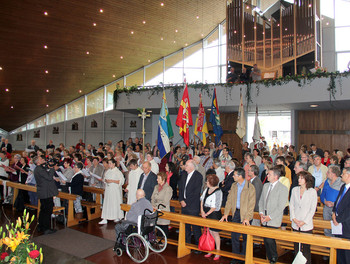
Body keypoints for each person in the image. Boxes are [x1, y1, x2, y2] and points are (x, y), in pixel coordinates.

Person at [220, 168, 255, 264]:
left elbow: (252, 204)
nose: (233, 176)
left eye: (234, 175)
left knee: (245, 237)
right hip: (236, 213)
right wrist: (226, 213)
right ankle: (235, 256)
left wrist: (247, 217)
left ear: (240, 176)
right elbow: (229, 200)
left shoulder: (250, 187)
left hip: (245, 215)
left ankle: (244, 257)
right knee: (234, 236)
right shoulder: (234, 185)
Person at [258, 166, 289, 264]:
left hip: (273, 217)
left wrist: (269, 217)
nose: (267, 175)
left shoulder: (282, 188)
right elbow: (261, 200)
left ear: (275, 176)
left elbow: (280, 206)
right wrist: (262, 213)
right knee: (266, 239)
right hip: (264, 216)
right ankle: (270, 257)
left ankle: (273, 258)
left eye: (269, 174)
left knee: (270, 239)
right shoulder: (266, 186)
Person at [289, 171, 317, 263]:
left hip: (306, 224)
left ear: (306, 180)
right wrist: (294, 219)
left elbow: (312, 209)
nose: (299, 180)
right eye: (298, 178)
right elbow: (291, 205)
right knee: (296, 247)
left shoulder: (312, 192)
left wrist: (304, 221)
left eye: (301, 178)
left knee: (306, 248)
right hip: (295, 223)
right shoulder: (294, 190)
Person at [178, 160, 202, 251]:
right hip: (184, 204)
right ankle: (186, 243)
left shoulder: (198, 176)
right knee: (186, 226)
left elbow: (196, 193)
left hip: (192, 205)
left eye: (187, 165)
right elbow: (180, 188)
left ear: (192, 166)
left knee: (195, 227)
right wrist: (181, 199)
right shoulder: (184, 174)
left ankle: (198, 246)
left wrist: (186, 202)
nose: (185, 166)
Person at [33, 155, 58, 235]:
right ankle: (46, 228)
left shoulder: (39, 168)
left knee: (43, 210)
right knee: (47, 210)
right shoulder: (39, 169)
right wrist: (51, 168)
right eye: (41, 159)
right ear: (38, 162)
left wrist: (49, 165)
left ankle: (41, 226)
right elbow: (49, 177)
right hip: (46, 192)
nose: (43, 159)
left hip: (43, 191)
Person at [201, 174, 223, 261]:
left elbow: (215, 206)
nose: (206, 182)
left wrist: (206, 214)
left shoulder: (218, 191)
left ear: (212, 182)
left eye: (207, 181)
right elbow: (202, 200)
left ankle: (218, 251)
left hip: (214, 214)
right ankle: (210, 249)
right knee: (209, 232)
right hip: (206, 212)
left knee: (215, 233)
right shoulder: (207, 189)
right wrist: (202, 211)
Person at [332, 167, 350, 264]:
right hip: (338, 225)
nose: (341, 175)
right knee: (339, 252)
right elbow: (337, 201)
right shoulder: (343, 186)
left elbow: (348, 210)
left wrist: (338, 219)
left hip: (347, 226)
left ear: (348, 175)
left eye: (343, 174)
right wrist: (334, 212)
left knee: (347, 254)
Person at [99, 159, 124, 224]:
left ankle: (116, 216)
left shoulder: (118, 171)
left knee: (114, 203)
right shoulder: (108, 171)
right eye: (108, 163)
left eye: (110, 163)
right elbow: (105, 178)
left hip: (114, 190)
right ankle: (105, 218)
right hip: (108, 189)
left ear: (114, 164)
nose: (109, 165)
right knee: (107, 203)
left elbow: (121, 181)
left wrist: (112, 181)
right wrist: (106, 180)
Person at [320, 165, 342, 237]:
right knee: (326, 227)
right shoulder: (327, 181)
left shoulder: (341, 183)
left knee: (336, 227)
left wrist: (335, 204)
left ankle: (335, 244)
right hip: (326, 208)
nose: (326, 173)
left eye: (328, 172)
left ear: (334, 174)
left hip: (336, 209)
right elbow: (322, 194)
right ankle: (328, 244)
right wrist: (325, 201)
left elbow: (342, 197)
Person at [151, 172, 173, 237]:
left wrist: (157, 207)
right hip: (155, 209)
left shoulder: (168, 188)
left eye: (158, 178)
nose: (157, 180)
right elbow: (152, 198)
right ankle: (158, 241)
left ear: (163, 179)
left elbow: (165, 201)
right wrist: (153, 205)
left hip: (163, 210)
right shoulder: (156, 187)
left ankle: (164, 241)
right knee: (158, 227)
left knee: (164, 227)